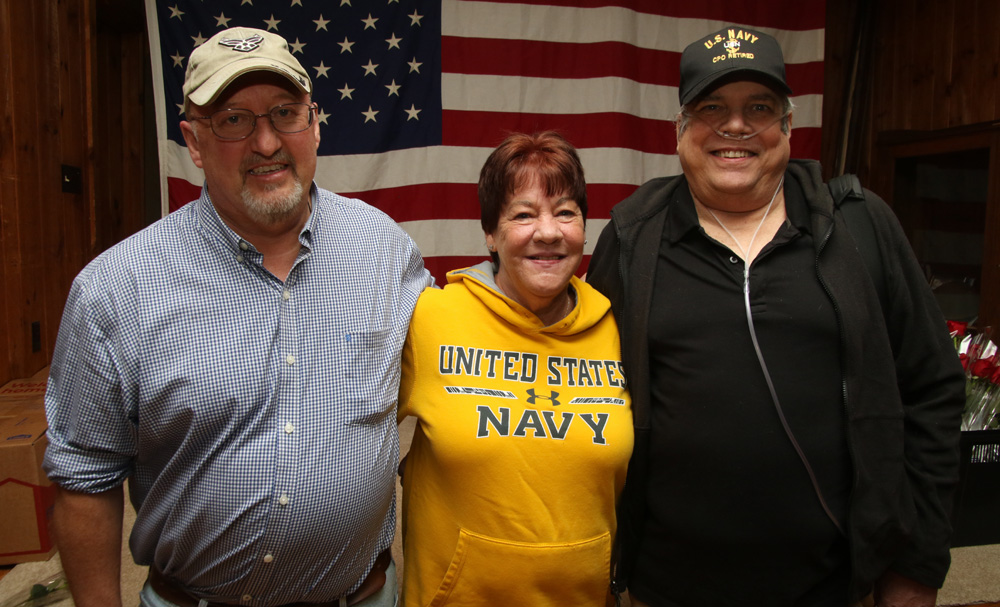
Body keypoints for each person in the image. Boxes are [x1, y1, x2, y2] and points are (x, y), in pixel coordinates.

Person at [43, 26, 432, 607]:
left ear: (315, 123)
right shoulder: (114, 291)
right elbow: (82, 479)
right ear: (193, 142)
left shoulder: (384, 251)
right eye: (234, 120)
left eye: (285, 114)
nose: (268, 143)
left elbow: (460, 363)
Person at [587, 25, 966, 607]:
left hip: (834, 587)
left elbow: (933, 391)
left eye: (758, 108)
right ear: (680, 131)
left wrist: (917, 567)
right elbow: (586, 390)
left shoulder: (859, 227)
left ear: (787, 128)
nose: (735, 127)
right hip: (668, 587)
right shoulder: (633, 237)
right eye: (712, 107)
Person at [396, 132, 632, 607]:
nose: (547, 232)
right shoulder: (432, 318)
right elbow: (348, 437)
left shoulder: (615, 326)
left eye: (565, 212)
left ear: (584, 228)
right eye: (523, 214)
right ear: (490, 232)